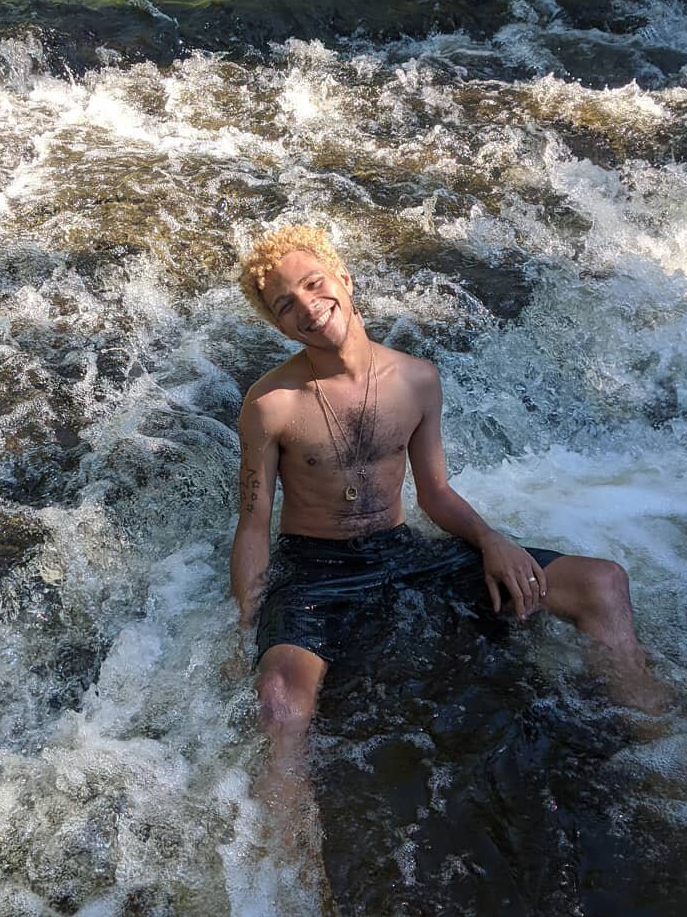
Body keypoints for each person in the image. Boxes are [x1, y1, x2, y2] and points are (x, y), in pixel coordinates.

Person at [231, 224, 659, 801]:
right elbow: (254, 521)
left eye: (314, 284)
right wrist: (247, 621)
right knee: (280, 702)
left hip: (400, 550)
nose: (308, 306)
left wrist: (491, 539)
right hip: (315, 572)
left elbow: (434, 493)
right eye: (287, 305)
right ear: (278, 324)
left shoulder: (417, 379)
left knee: (603, 581)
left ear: (344, 279)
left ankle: (661, 747)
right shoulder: (270, 403)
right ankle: (283, 872)